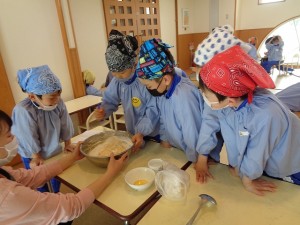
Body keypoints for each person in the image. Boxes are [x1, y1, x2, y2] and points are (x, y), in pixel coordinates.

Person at [195, 45, 300, 196]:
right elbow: (211, 123)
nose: (203, 96)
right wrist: (202, 157)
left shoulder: (265, 115)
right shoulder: (229, 98)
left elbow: (257, 150)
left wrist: (247, 178)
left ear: (230, 101)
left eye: (205, 94)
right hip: (263, 160)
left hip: (290, 162)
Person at [0, 109, 128, 225]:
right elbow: (71, 207)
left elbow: (32, 176)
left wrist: (73, 157)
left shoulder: (3, 173)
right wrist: (110, 173)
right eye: (9, 135)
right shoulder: (8, 196)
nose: (14, 138)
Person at [136, 38, 223, 180]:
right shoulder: (164, 91)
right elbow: (163, 117)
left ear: (165, 79)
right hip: (181, 151)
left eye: (149, 86)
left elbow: (192, 130)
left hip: (195, 154)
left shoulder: (184, 96)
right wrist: (165, 138)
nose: (148, 90)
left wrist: (196, 159)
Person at [94, 30, 160, 151]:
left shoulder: (144, 81)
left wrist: (141, 132)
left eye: (122, 72)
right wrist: (103, 111)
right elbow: (110, 100)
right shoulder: (117, 82)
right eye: (114, 72)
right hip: (133, 133)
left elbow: (154, 110)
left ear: (133, 64)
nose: (118, 76)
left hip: (153, 134)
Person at [12, 65, 74, 193]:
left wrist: (68, 143)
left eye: (59, 94)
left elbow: (65, 123)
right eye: (52, 97)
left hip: (53, 149)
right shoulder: (23, 110)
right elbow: (27, 136)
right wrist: (36, 156)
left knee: (56, 178)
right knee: (39, 184)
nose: (57, 100)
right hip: (32, 154)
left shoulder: (59, 103)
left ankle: (54, 193)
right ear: (32, 97)